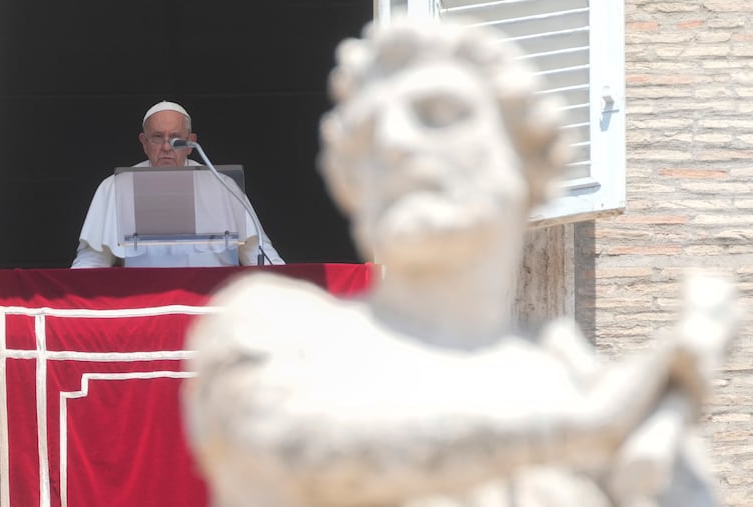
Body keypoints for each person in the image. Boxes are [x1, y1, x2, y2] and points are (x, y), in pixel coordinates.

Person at [182, 17, 737, 507]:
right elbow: (296, 450)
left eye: (439, 114)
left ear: (526, 156)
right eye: (368, 134)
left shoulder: (588, 384)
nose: (394, 143)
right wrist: (587, 427)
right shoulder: (278, 329)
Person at [71, 100, 284, 268]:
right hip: (148, 307)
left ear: (190, 143)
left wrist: (287, 291)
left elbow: (258, 253)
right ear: (144, 142)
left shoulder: (222, 185)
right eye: (157, 137)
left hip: (212, 308)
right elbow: (93, 262)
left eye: (175, 138)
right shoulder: (116, 187)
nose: (166, 147)